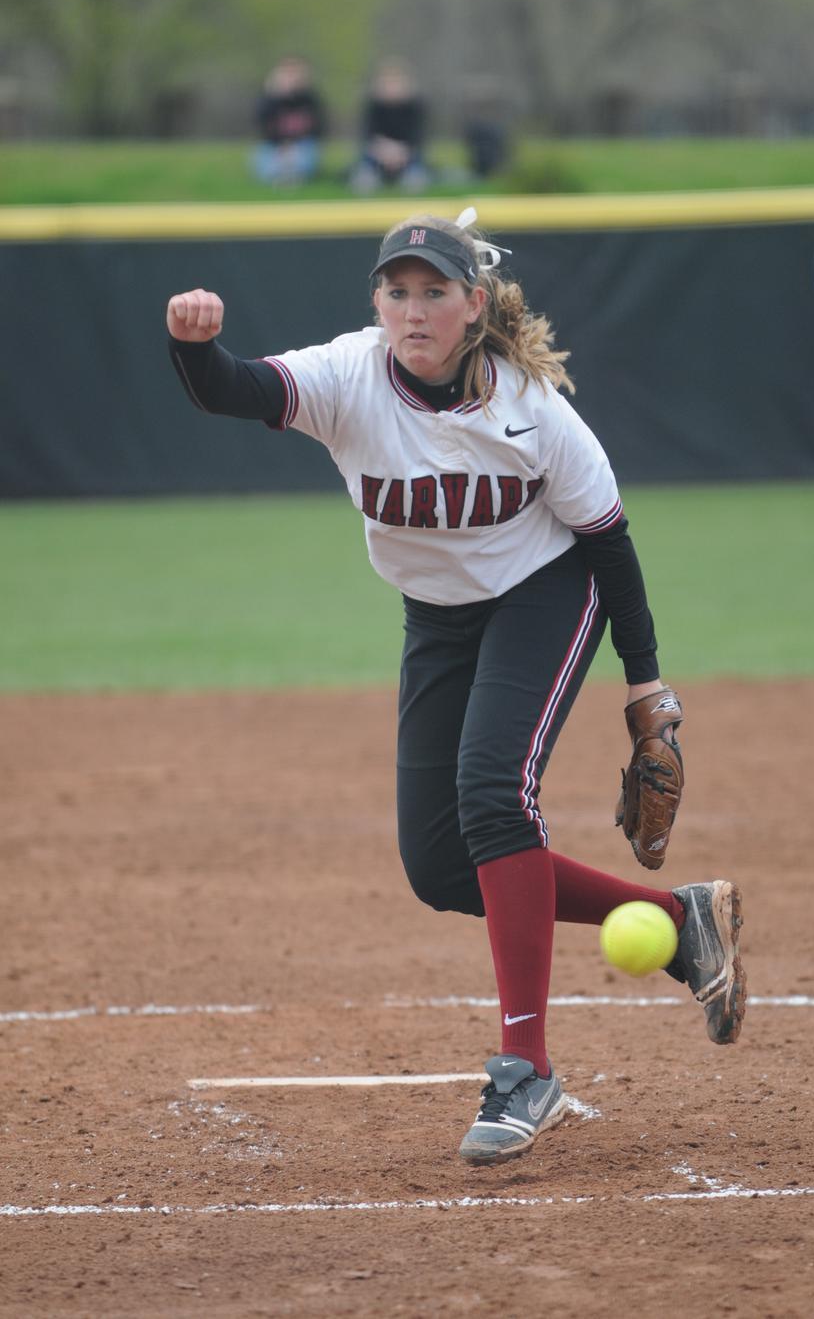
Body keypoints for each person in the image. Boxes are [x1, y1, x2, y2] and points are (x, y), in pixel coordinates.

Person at [164, 209, 746, 1166]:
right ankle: (687, 924)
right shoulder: (348, 376)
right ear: (377, 304)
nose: (413, 309)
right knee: (440, 865)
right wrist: (195, 345)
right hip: (437, 617)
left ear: (474, 304)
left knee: (493, 793)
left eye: (434, 291)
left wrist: (647, 691)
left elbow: (610, 544)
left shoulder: (532, 409)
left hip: (544, 593)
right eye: (396, 291)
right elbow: (233, 387)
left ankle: (527, 1069)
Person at [349, 58, 430, 193]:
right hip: (378, 152)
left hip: (406, 153)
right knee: (365, 159)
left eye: (395, 82)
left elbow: (418, 136)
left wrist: (400, 151)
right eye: (387, 83)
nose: (391, 87)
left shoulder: (415, 106)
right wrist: (383, 150)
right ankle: (367, 176)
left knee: (417, 161)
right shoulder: (372, 106)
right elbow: (367, 134)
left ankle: (414, 177)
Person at [252, 57, 327, 187]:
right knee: (263, 160)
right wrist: (274, 96)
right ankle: (278, 176)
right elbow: (262, 125)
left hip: (301, 144)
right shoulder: (269, 99)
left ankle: (294, 175)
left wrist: (293, 146)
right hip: (274, 145)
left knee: (306, 157)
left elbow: (319, 127)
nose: (291, 79)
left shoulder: (310, 99)